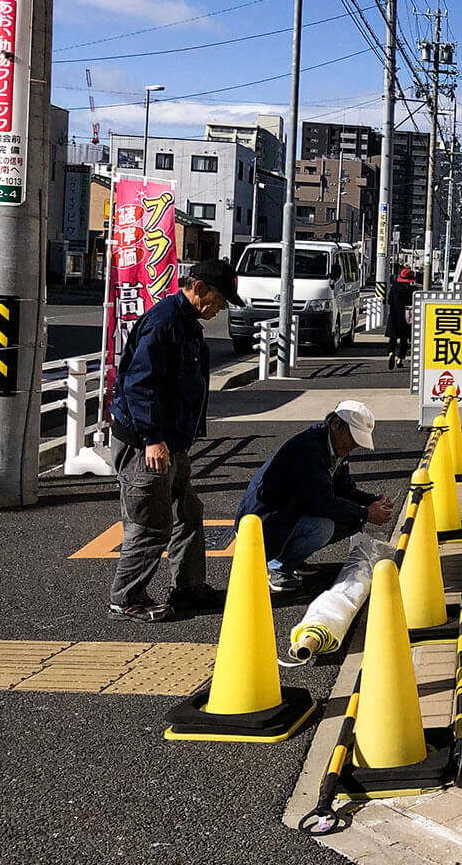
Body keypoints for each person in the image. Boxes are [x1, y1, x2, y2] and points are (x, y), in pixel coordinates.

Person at [109, 259, 243, 623]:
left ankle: (188, 587)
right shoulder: (165, 321)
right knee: (151, 523)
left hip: (172, 440)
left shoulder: (186, 323)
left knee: (188, 512)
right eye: (218, 300)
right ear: (198, 288)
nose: (220, 309)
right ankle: (126, 597)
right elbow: (139, 383)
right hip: (147, 442)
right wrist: (153, 438)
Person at [236, 400, 394, 592]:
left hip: (285, 516)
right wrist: (365, 513)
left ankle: (289, 557)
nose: (354, 446)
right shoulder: (308, 450)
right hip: (264, 524)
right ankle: (278, 565)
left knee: (351, 519)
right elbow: (320, 502)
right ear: (336, 424)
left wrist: (372, 501)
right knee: (324, 527)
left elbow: (344, 489)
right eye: (353, 438)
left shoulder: (332, 445)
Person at [385, 265, 415, 369]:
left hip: (394, 317)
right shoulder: (412, 290)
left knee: (392, 339)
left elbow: (389, 302)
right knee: (404, 341)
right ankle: (399, 360)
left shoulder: (394, 289)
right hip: (407, 318)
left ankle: (391, 353)